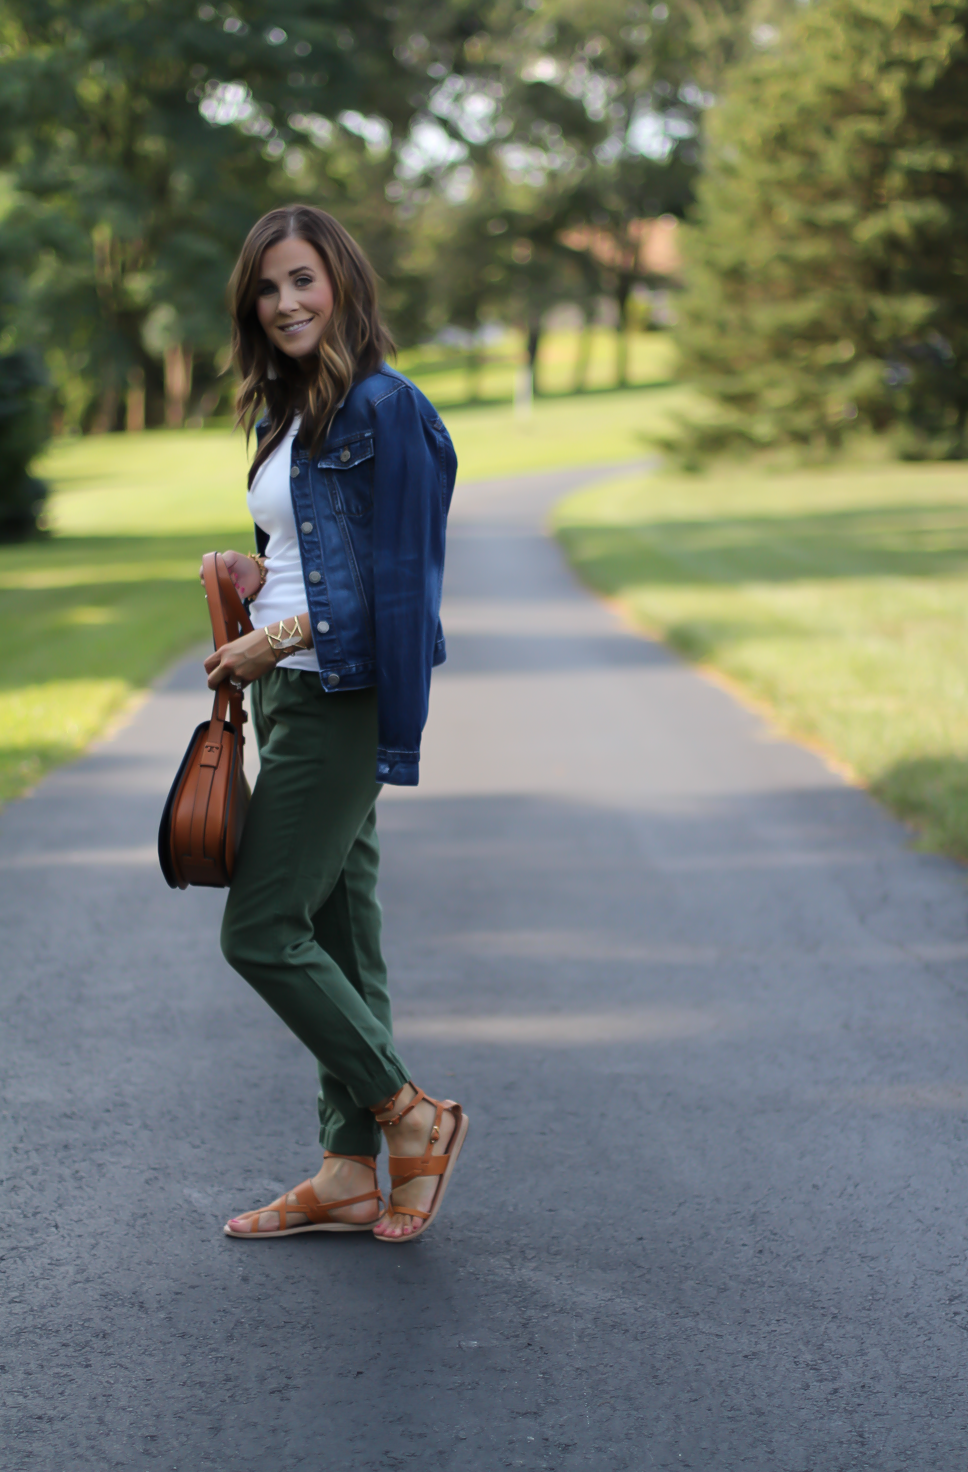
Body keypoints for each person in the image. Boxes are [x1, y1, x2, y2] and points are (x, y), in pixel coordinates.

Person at [203, 204, 466, 1244]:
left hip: (338, 694)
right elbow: (315, 550)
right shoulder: (292, 409)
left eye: (301, 280)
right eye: (266, 290)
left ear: (341, 282)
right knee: (339, 934)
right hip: (288, 690)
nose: (284, 303)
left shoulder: (385, 407)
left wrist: (275, 638)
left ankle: (410, 1116)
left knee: (261, 929)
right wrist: (251, 583)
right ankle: (349, 1169)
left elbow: (401, 583)